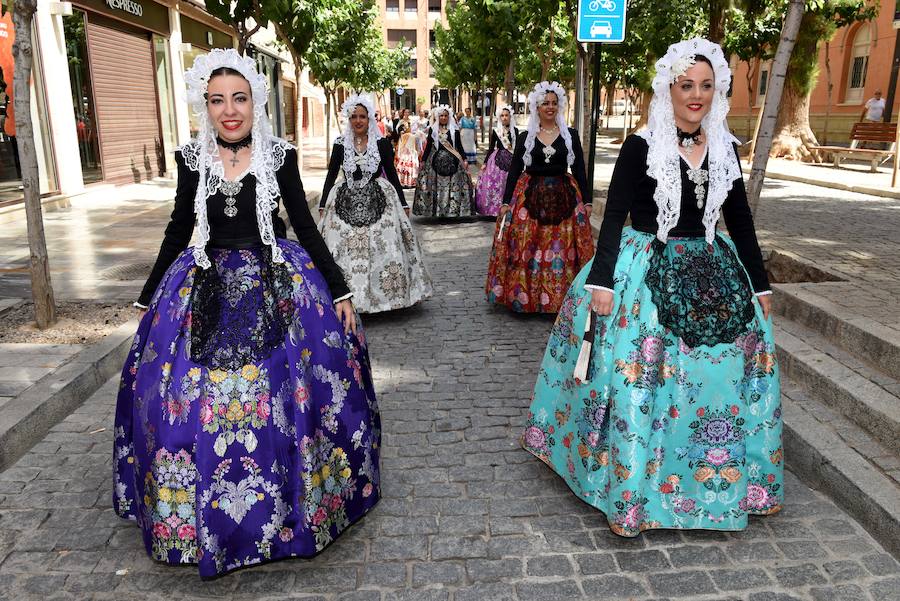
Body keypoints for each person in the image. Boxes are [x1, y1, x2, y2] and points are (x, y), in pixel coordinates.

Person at [112, 49, 381, 578]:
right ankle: (203, 519)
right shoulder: (192, 160)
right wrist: (147, 298)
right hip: (205, 282)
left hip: (275, 280)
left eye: (239, 99)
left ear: (256, 102)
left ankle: (287, 514)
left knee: (287, 397)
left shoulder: (278, 157)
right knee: (187, 399)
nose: (229, 110)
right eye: (218, 101)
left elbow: (304, 226)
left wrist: (340, 291)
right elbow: (177, 230)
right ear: (205, 106)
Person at [521, 39, 782, 537]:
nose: (697, 95)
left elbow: (740, 221)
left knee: (721, 374)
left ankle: (713, 482)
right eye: (687, 85)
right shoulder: (641, 145)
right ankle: (637, 487)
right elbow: (614, 215)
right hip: (645, 269)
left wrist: (760, 285)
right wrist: (601, 280)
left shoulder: (724, 147)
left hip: (714, 269)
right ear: (669, 90)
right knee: (638, 376)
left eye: (706, 86)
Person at [485, 81, 594, 313]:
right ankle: (528, 297)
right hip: (529, 196)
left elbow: (579, 170)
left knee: (561, 247)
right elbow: (515, 170)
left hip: (564, 198)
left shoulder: (570, 136)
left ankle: (560, 299)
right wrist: (505, 202)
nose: (550, 107)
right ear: (537, 107)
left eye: (554, 103)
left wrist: (587, 200)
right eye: (545, 103)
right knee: (527, 246)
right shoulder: (526, 137)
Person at [318, 94, 432, 313]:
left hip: (380, 198)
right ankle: (348, 296)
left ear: (369, 118)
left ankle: (386, 297)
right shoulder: (340, 144)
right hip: (344, 200)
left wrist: (403, 203)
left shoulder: (381, 143)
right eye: (354, 117)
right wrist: (323, 204)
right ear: (349, 119)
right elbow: (331, 175)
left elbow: (391, 172)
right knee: (343, 248)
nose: (358, 121)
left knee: (384, 246)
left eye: (362, 116)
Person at [412, 104, 475, 217]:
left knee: (453, 186)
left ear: (449, 117)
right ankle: (437, 211)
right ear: (438, 117)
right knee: (436, 187)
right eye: (441, 116)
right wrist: (423, 161)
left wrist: (464, 159)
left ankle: (451, 211)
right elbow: (428, 147)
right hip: (435, 163)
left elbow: (459, 146)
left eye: (446, 116)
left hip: (453, 163)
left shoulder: (454, 130)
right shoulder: (433, 130)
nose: (443, 118)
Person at [475, 104, 518, 216]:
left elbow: (517, 148)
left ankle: (509, 208)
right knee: (496, 185)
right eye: (502, 116)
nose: (504, 117)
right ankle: (494, 210)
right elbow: (491, 148)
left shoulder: (515, 131)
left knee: (508, 184)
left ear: (510, 116)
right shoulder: (496, 131)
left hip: (511, 161)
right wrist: (485, 163)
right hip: (497, 162)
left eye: (506, 115)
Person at [396, 118, 422, 188]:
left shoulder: (403, 136)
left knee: (404, 167)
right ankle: (410, 182)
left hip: (404, 155)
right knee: (409, 168)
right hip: (411, 155)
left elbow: (400, 147)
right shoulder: (414, 136)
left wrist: (399, 155)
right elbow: (417, 148)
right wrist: (417, 154)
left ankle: (403, 182)